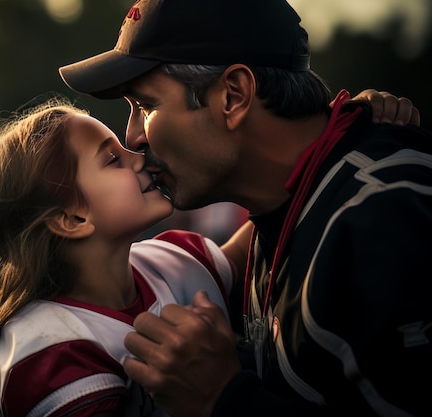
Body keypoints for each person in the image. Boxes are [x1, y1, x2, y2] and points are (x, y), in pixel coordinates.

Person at [58, 0, 430, 416]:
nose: (134, 137)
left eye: (146, 106)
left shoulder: (387, 217)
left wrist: (224, 399)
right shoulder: (284, 212)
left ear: (233, 96)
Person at [0, 96, 255, 417]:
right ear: (71, 218)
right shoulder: (50, 352)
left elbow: (281, 221)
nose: (139, 156)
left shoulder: (172, 259)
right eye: (113, 159)